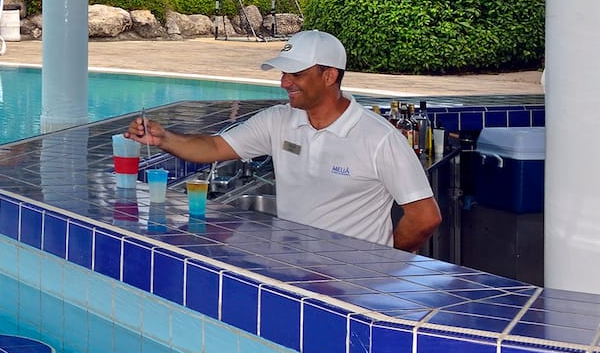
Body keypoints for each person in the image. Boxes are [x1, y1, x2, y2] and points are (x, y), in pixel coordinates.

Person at [126, 30, 440, 251]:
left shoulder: (379, 138)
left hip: (354, 286)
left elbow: (425, 217)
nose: (284, 82)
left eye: (295, 74)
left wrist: (382, 259)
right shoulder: (278, 121)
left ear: (329, 76)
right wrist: (164, 137)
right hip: (291, 274)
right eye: (283, 73)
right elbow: (214, 147)